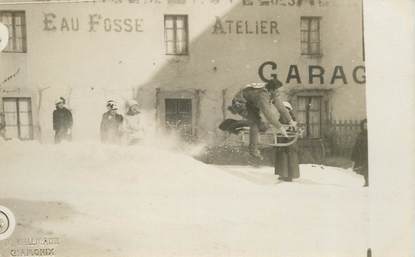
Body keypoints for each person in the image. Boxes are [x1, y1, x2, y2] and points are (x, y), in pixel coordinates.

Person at [227, 78, 296, 160]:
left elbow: (281, 107)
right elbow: (268, 114)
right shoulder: (262, 96)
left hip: (251, 102)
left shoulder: (272, 92)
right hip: (240, 103)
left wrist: (290, 121)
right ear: (271, 90)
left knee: (262, 125)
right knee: (255, 123)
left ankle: (235, 125)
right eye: (276, 90)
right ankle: (253, 150)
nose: (278, 93)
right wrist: (280, 127)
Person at [274, 101, 300, 181]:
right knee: (284, 157)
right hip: (285, 139)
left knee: (287, 157)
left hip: (288, 140)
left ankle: (288, 176)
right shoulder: (287, 117)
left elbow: (287, 127)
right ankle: (284, 175)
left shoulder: (288, 117)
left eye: (285, 109)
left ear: (288, 109)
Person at [351, 119, 369, 187]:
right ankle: (367, 181)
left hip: (369, 154)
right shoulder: (360, 134)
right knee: (364, 170)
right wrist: (354, 156)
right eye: (364, 125)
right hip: (362, 155)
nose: (366, 126)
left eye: (367, 125)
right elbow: (356, 145)